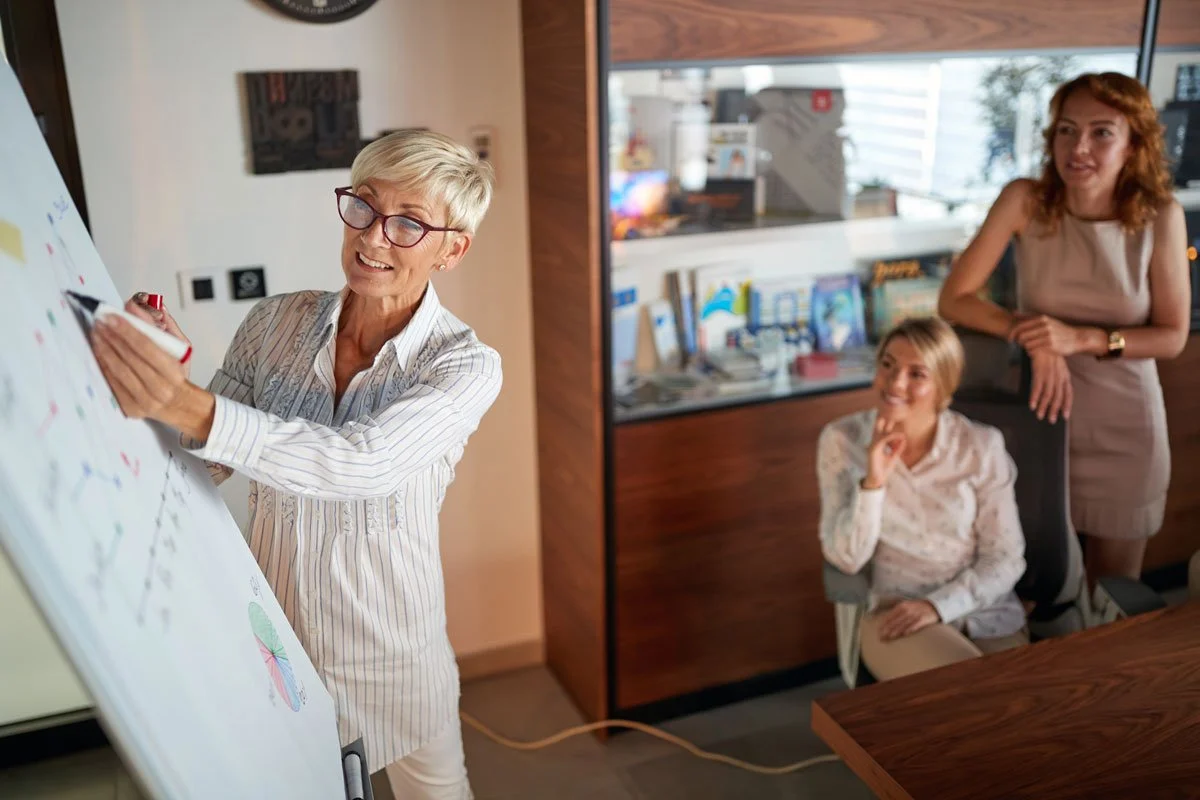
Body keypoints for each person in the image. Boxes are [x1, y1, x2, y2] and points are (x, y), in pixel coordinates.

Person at [89, 129, 501, 799]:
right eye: (363, 206)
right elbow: (213, 462)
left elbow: (361, 465)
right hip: (279, 643)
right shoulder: (275, 321)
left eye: (408, 224)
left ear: (452, 249)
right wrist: (165, 382)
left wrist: (194, 408)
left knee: (439, 792)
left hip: (394, 656)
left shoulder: (465, 366)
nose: (371, 239)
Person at [938, 72, 1190, 585]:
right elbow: (955, 299)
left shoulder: (1161, 216)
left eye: (1102, 132)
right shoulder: (1024, 201)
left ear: (1133, 144)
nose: (1079, 147)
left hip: (1127, 428)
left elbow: (1171, 335)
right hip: (1040, 420)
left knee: (1112, 599)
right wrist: (1032, 335)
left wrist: (1082, 340)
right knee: (1031, 587)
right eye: (1066, 130)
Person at [818, 317, 1027, 683]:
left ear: (943, 385)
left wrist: (940, 606)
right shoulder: (842, 440)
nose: (896, 382)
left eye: (917, 374)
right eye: (888, 365)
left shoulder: (980, 446)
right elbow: (847, 559)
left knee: (1024, 702)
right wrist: (874, 481)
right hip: (896, 615)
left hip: (984, 613)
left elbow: (1006, 557)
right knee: (972, 693)